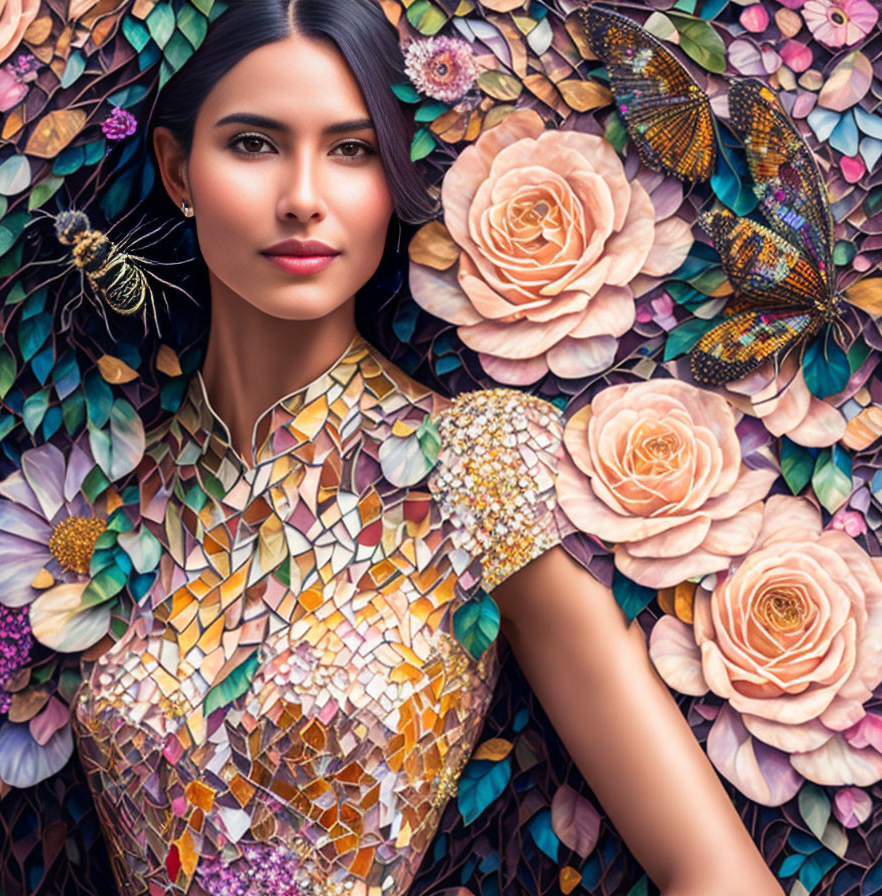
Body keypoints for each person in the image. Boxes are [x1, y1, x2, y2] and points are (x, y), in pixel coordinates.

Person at [68, 1, 783, 894]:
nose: (301, 196)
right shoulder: (106, 505)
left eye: (352, 149)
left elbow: (715, 871)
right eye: (253, 144)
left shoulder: (468, 465)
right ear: (178, 170)